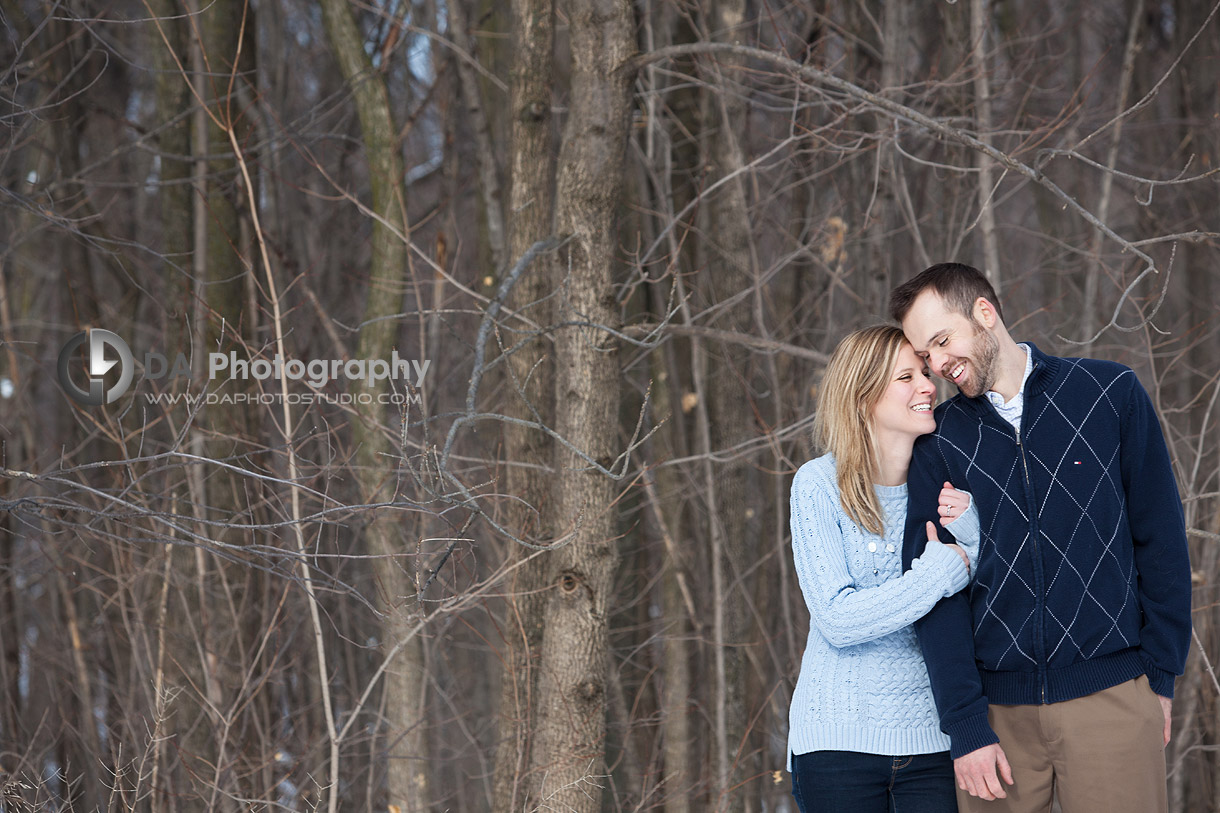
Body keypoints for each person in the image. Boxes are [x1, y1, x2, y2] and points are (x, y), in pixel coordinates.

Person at [889, 263, 1192, 813]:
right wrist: (964, 725)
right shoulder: (939, 443)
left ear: (985, 314)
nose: (936, 366)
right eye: (925, 355)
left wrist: (1160, 675)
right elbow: (935, 596)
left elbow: (1162, 539)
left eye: (941, 341)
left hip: (1115, 697)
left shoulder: (1108, 395)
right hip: (996, 724)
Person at [788, 324, 979, 812]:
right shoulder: (818, 485)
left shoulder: (950, 490)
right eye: (906, 377)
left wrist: (972, 541)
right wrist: (937, 574)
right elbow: (838, 619)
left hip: (933, 741)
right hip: (836, 742)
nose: (927, 386)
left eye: (924, 373)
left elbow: (983, 591)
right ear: (862, 396)